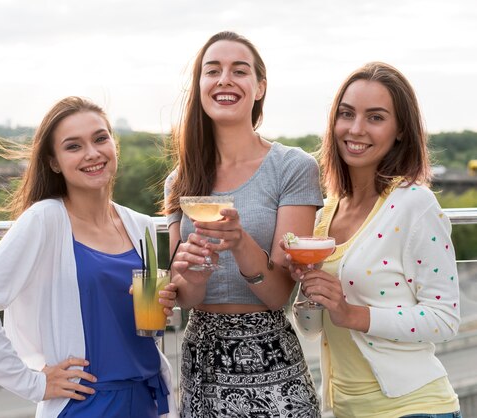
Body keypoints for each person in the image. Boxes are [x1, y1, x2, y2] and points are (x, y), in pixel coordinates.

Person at [0, 96, 179, 418]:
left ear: (115, 144)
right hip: (86, 403)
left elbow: (140, 324)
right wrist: (33, 384)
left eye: (100, 138)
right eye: (73, 146)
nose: (92, 153)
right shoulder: (45, 220)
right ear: (54, 162)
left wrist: (163, 303)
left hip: (147, 398)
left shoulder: (139, 225)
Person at [287, 62, 462, 417]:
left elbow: (445, 319)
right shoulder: (325, 214)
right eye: (346, 114)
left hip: (414, 408)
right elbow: (313, 329)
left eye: (376, 117)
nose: (356, 129)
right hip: (343, 409)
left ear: (400, 130)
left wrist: (350, 312)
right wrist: (307, 288)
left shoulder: (415, 205)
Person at [163, 31, 324, 417]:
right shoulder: (179, 180)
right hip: (201, 362)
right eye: (212, 71)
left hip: (271, 360)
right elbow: (183, 296)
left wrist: (239, 241)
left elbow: (279, 294)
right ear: (199, 86)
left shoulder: (293, 167)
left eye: (239, 71)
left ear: (259, 87)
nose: (224, 80)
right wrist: (192, 275)